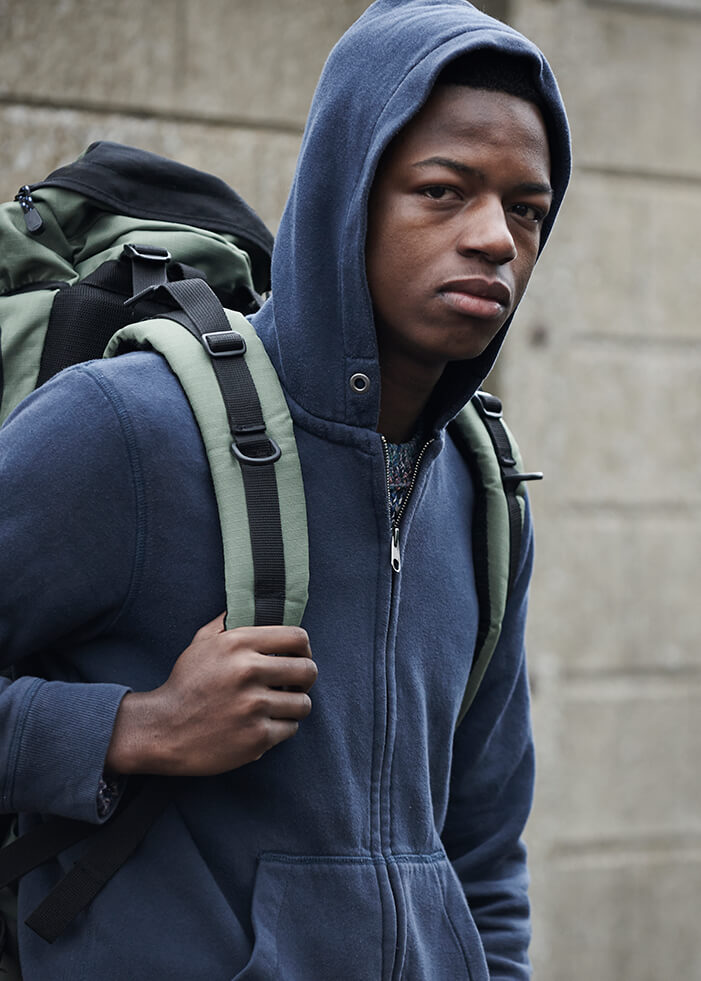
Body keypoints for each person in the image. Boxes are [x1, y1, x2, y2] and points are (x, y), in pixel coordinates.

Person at [0, 0, 570, 978]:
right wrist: (126, 730)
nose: (494, 239)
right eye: (442, 191)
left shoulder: (485, 495)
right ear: (348, 196)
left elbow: (479, 855)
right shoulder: (130, 427)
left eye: (524, 208)